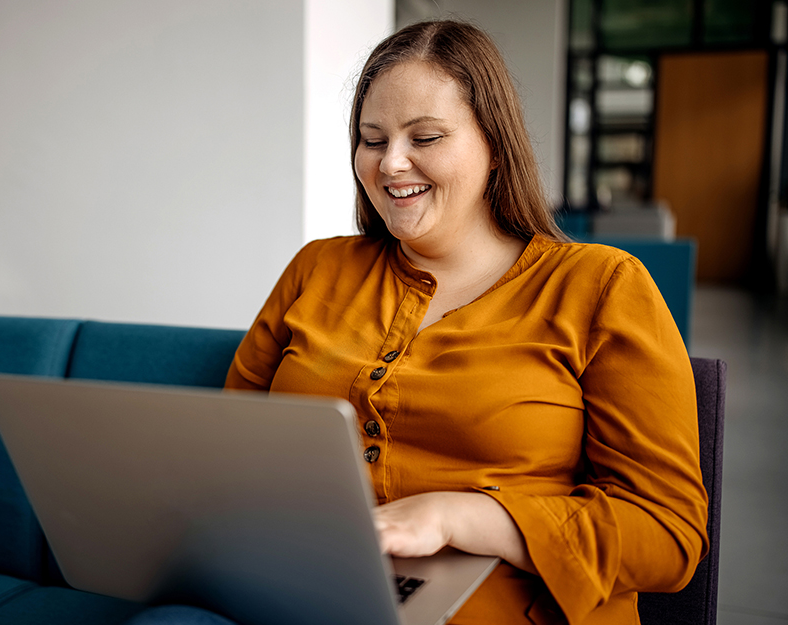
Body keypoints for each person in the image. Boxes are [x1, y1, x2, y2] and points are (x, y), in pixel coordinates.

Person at [224, 20, 709, 625]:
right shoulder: (317, 267)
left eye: (425, 137)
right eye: (373, 140)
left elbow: (668, 534)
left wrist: (463, 516)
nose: (392, 163)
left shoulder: (601, 286)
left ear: (495, 146)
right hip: (301, 588)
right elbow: (229, 451)